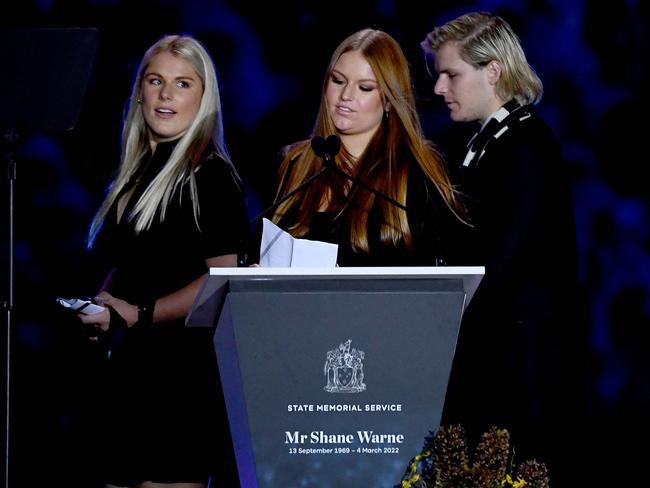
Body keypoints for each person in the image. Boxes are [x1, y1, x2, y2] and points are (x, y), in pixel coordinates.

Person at [78, 34, 247, 487]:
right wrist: (105, 303)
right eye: (156, 80)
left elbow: (224, 275)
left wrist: (141, 313)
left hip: (179, 378)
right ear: (139, 91)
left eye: (183, 83)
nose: (166, 94)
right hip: (128, 370)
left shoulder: (210, 176)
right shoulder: (133, 171)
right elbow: (136, 259)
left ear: (204, 96)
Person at [421, 11, 580, 480]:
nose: (438, 88)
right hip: (500, 361)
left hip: (518, 374)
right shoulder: (495, 140)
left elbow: (498, 262)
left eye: (451, 74)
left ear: (492, 71)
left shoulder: (525, 145)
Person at [269, 28, 466, 266]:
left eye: (365, 88)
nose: (346, 95)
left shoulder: (415, 171)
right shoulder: (293, 163)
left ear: (388, 101)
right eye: (338, 80)